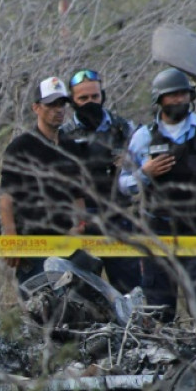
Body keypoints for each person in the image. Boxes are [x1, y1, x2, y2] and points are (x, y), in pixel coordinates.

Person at [119, 68, 196, 321]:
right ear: (159, 100)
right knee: (159, 309)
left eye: (183, 94)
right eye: (172, 95)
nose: (179, 100)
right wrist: (145, 173)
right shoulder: (144, 136)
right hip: (158, 231)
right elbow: (123, 185)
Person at [59, 69, 140, 294]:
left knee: (130, 290)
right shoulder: (62, 135)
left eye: (95, 97)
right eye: (83, 98)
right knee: (80, 293)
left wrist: (130, 163)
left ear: (102, 95)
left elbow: (143, 169)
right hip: (80, 221)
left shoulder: (124, 128)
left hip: (118, 218)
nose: (90, 102)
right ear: (72, 101)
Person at [0, 76, 86, 284]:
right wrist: (10, 235)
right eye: (51, 104)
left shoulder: (71, 147)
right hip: (32, 246)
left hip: (67, 246)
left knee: (73, 309)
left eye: (62, 104)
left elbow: (78, 195)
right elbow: (5, 197)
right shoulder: (21, 147)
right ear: (36, 108)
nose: (58, 110)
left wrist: (80, 225)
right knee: (40, 308)